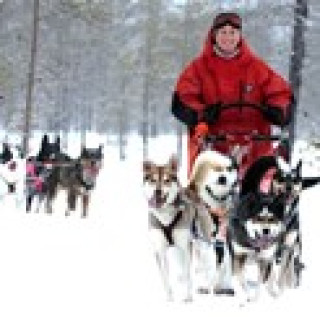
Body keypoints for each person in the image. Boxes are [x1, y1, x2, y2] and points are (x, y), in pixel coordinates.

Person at [171, 12, 293, 176]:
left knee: (267, 186)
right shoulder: (198, 68)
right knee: (213, 188)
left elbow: (280, 92)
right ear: (214, 35)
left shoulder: (257, 68)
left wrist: (278, 110)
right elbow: (183, 98)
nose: (228, 37)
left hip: (255, 144)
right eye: (223, 32)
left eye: (233, 32)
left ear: (240, 36)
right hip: (213, 144)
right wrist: (202, 113)